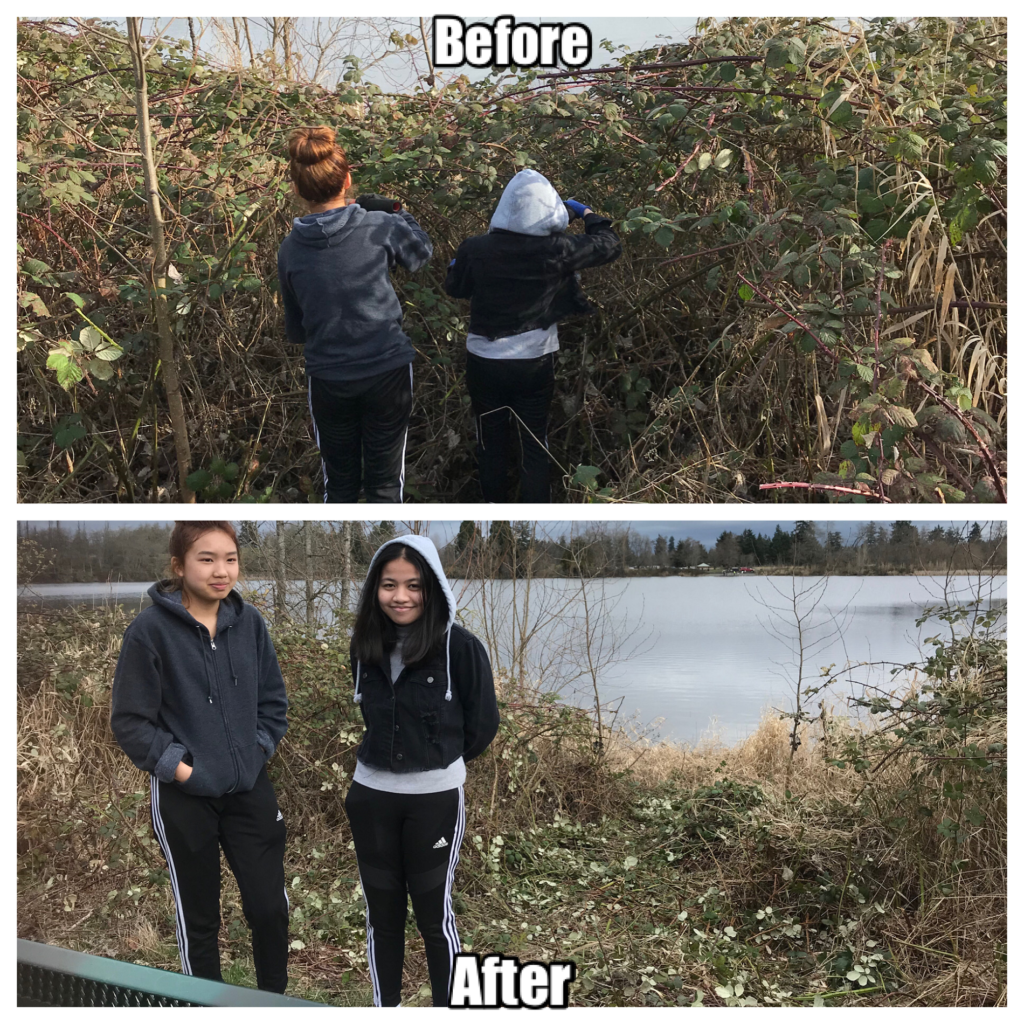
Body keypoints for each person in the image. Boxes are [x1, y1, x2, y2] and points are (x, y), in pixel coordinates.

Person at [110, 521, 290, 993]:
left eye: (230, 558)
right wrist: (181, 768)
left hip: (249, 787)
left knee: (270, 908)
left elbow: (273, 704)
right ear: (178, 566)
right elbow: (130, 721)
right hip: (184, 795)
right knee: (200, 916)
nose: (221, 570)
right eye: (206, 558)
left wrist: (256, 753)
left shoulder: (249, 623)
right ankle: (205, 1007)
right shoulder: (149, 632)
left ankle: (273, 1005)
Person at [345, 535, 499, 1006]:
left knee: (434, 919)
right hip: (371, 798)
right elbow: (371, 717)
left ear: (432, 589)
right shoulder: (364, 645)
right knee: (382, 919)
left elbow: (482, 726)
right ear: (375, 589)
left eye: (413, 585)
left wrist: (434, 765)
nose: (401, 596)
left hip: (434, 801)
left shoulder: (461, 648)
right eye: (389, 584)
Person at [277, 125, 434, 503]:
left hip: (329, 379)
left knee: (340, 485)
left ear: (297, 190)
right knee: (385, 485)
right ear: (347, 180)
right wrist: (398, 211)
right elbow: (421, 254)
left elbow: (298, 328)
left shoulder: (289, 250)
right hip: (387, 372)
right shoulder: (380, 225)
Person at [444, 168, 622, 502]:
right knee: (534, 444)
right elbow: (610, 245)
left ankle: (494, 507)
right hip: (534, 364)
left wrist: (459, 265)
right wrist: (586, 214)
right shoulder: (558, 250)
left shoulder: (476, 248)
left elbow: (455, 287)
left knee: (490, 442)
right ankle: (535, 507)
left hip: (484, 363)